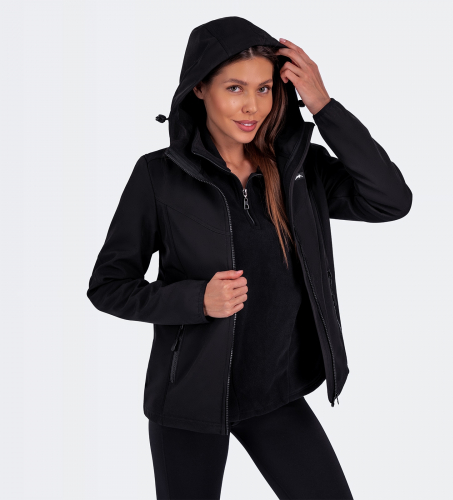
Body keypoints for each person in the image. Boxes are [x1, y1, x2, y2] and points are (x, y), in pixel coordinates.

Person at [87, 16, 412, 500]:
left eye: (264, 89)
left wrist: (322, 105)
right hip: (190, 401)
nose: (252, 106)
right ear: (199, 89)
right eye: (235, 88)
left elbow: (391, 200)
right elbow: (108, 285)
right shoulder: (159, 177)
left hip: (276, 394)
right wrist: (197, 300)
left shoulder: (300, 169)